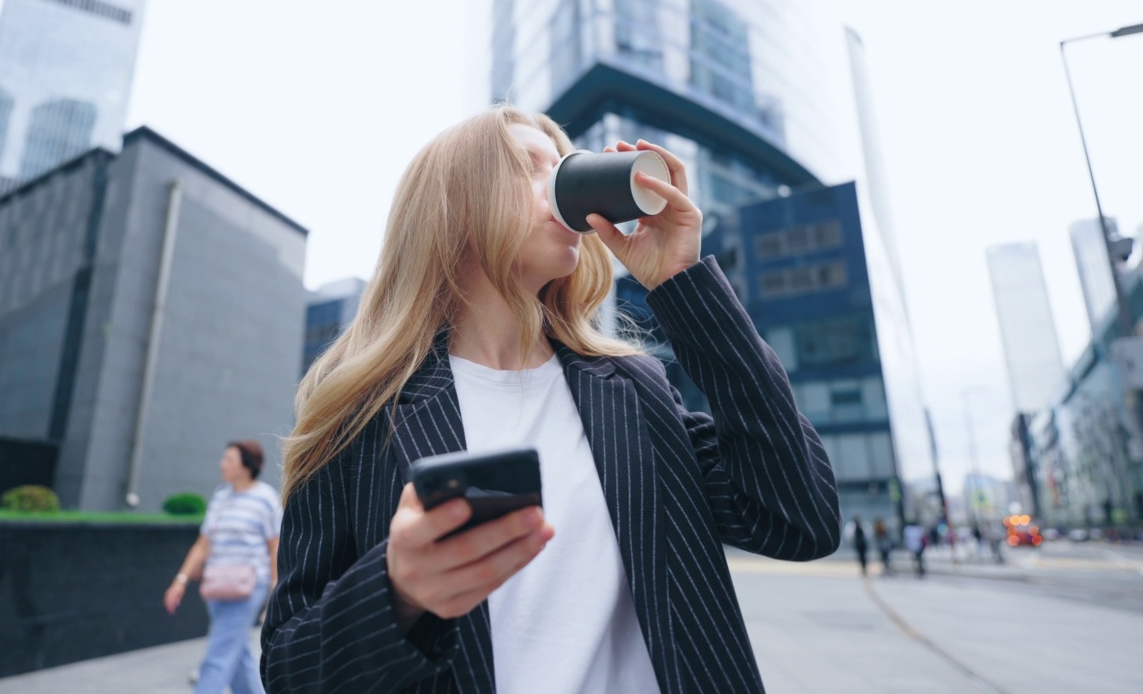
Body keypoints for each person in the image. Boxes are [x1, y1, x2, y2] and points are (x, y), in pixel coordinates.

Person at [260, 106, 841, 693]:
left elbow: (798, 521)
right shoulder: (361, 415)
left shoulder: (634, 391)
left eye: (564, 166)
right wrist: (397, 593)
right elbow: (288, 668)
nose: (564, 182)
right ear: (452, 208)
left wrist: (682, 285)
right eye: (527, 165)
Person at [165, 440, 282, 694]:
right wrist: (180, 580)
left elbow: (275, 545)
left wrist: (275, 586)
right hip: (216, 586)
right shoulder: (221, 496)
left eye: (229, 459)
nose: (222, 464)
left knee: (218, 654)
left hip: (248, 586)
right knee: (235, 651)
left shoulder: (265, 498)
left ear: (246, 465)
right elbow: (203, 543)